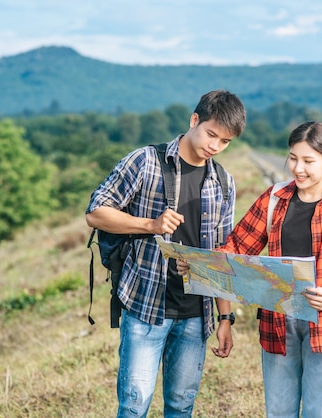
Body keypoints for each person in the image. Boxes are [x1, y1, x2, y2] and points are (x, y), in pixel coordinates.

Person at [180, 121, 322, 417]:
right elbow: (238, 245)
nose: (298, 168)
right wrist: (203, 263)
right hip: (278, 317)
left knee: (320, 411)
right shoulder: (275, 199)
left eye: (308, 161)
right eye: (293, 158)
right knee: (279, 410)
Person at [85, 89, 246, 417]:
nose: (214, 146)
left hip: (196, 314)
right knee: (133, 406)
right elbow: (95, 212)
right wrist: (150, 225)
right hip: (145, 306)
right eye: (211, 134)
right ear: (194, 120)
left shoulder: (224, 183)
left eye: (225, 142)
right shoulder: (145, 161)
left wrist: (225, 317)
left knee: (181, 407)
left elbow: (220, 256)